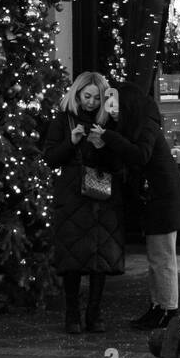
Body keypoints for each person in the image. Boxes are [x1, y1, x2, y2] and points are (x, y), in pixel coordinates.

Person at [94, 81, 180, 331]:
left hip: (163, 198)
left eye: (113, 103)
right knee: (157, 257)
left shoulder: (146, 123)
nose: (110, 109)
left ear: (127, 103)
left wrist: (108, 137)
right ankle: (159, 306)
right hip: (155, 198)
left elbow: (140, 155)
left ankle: (168, 310)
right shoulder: (134, 124)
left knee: (162, 257)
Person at [42, 72, 125, 336]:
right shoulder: (63, 119)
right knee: (72, 258)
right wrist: (72, 142)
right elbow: (50, 158)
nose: (90, 103)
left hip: (102, 196)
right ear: (77, 95)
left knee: (99, 257)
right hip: (72, 195)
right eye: (86, 96)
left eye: (96, 98)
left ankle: (94, 313)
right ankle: (72, 315)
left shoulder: (111, 122)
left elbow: (120, 164)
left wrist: (103, 143)